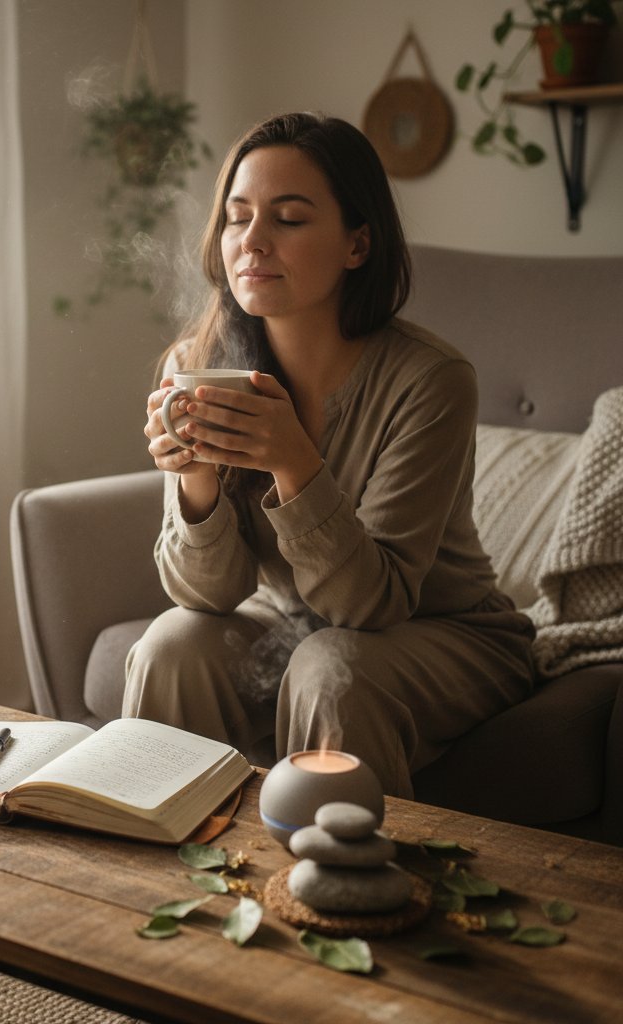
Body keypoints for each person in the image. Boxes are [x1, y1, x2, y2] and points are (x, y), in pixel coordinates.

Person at [122, 111, 535, 796]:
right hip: (291, 620)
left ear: (357, 244)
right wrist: (196, 476)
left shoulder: (430, 379)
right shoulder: (197, 364)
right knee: (172, 646)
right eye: (236, 217)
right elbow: (208, 596)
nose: (252, 241)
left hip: (447, 631)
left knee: (330, 666)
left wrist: (294, 464)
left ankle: (332, 895)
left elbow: (371, 607)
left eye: (287, 219)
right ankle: (160, 879)